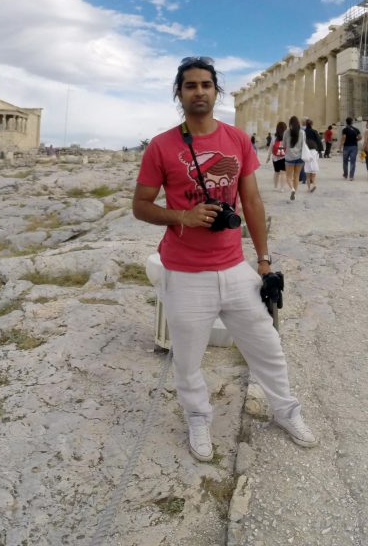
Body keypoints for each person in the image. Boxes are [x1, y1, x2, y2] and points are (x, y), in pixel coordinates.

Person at [132, 56, 318, 463]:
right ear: (179, 94)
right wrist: (181, 215)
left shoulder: (235, 139)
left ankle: (286, 411)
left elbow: (250, 199)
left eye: (205, 85)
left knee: (267, 345)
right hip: (184, 272)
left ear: (217, 91)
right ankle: (198, 418)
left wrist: (264, 260)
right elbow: (141, 206)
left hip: (235, 267)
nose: (199, 91)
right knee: (188, 357)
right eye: (190, 85)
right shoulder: (162, 146)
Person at [283, 116, 306, 201]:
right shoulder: (302, 132)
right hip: (300, 157)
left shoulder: (286, 132)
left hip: (289, 157)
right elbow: (304, 144)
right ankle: (295, 193)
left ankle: (292, 189)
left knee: (288, 177)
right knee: (296, 176)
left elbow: (284, 145)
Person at [269, 122, 287, 190]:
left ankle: (275, 187)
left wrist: (268, 157)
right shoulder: (286, 137)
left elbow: (271, 147)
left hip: (275, 157)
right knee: (283, 173)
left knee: (276, 172)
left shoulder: (274, 137)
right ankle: (282, 188)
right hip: (283, 157)